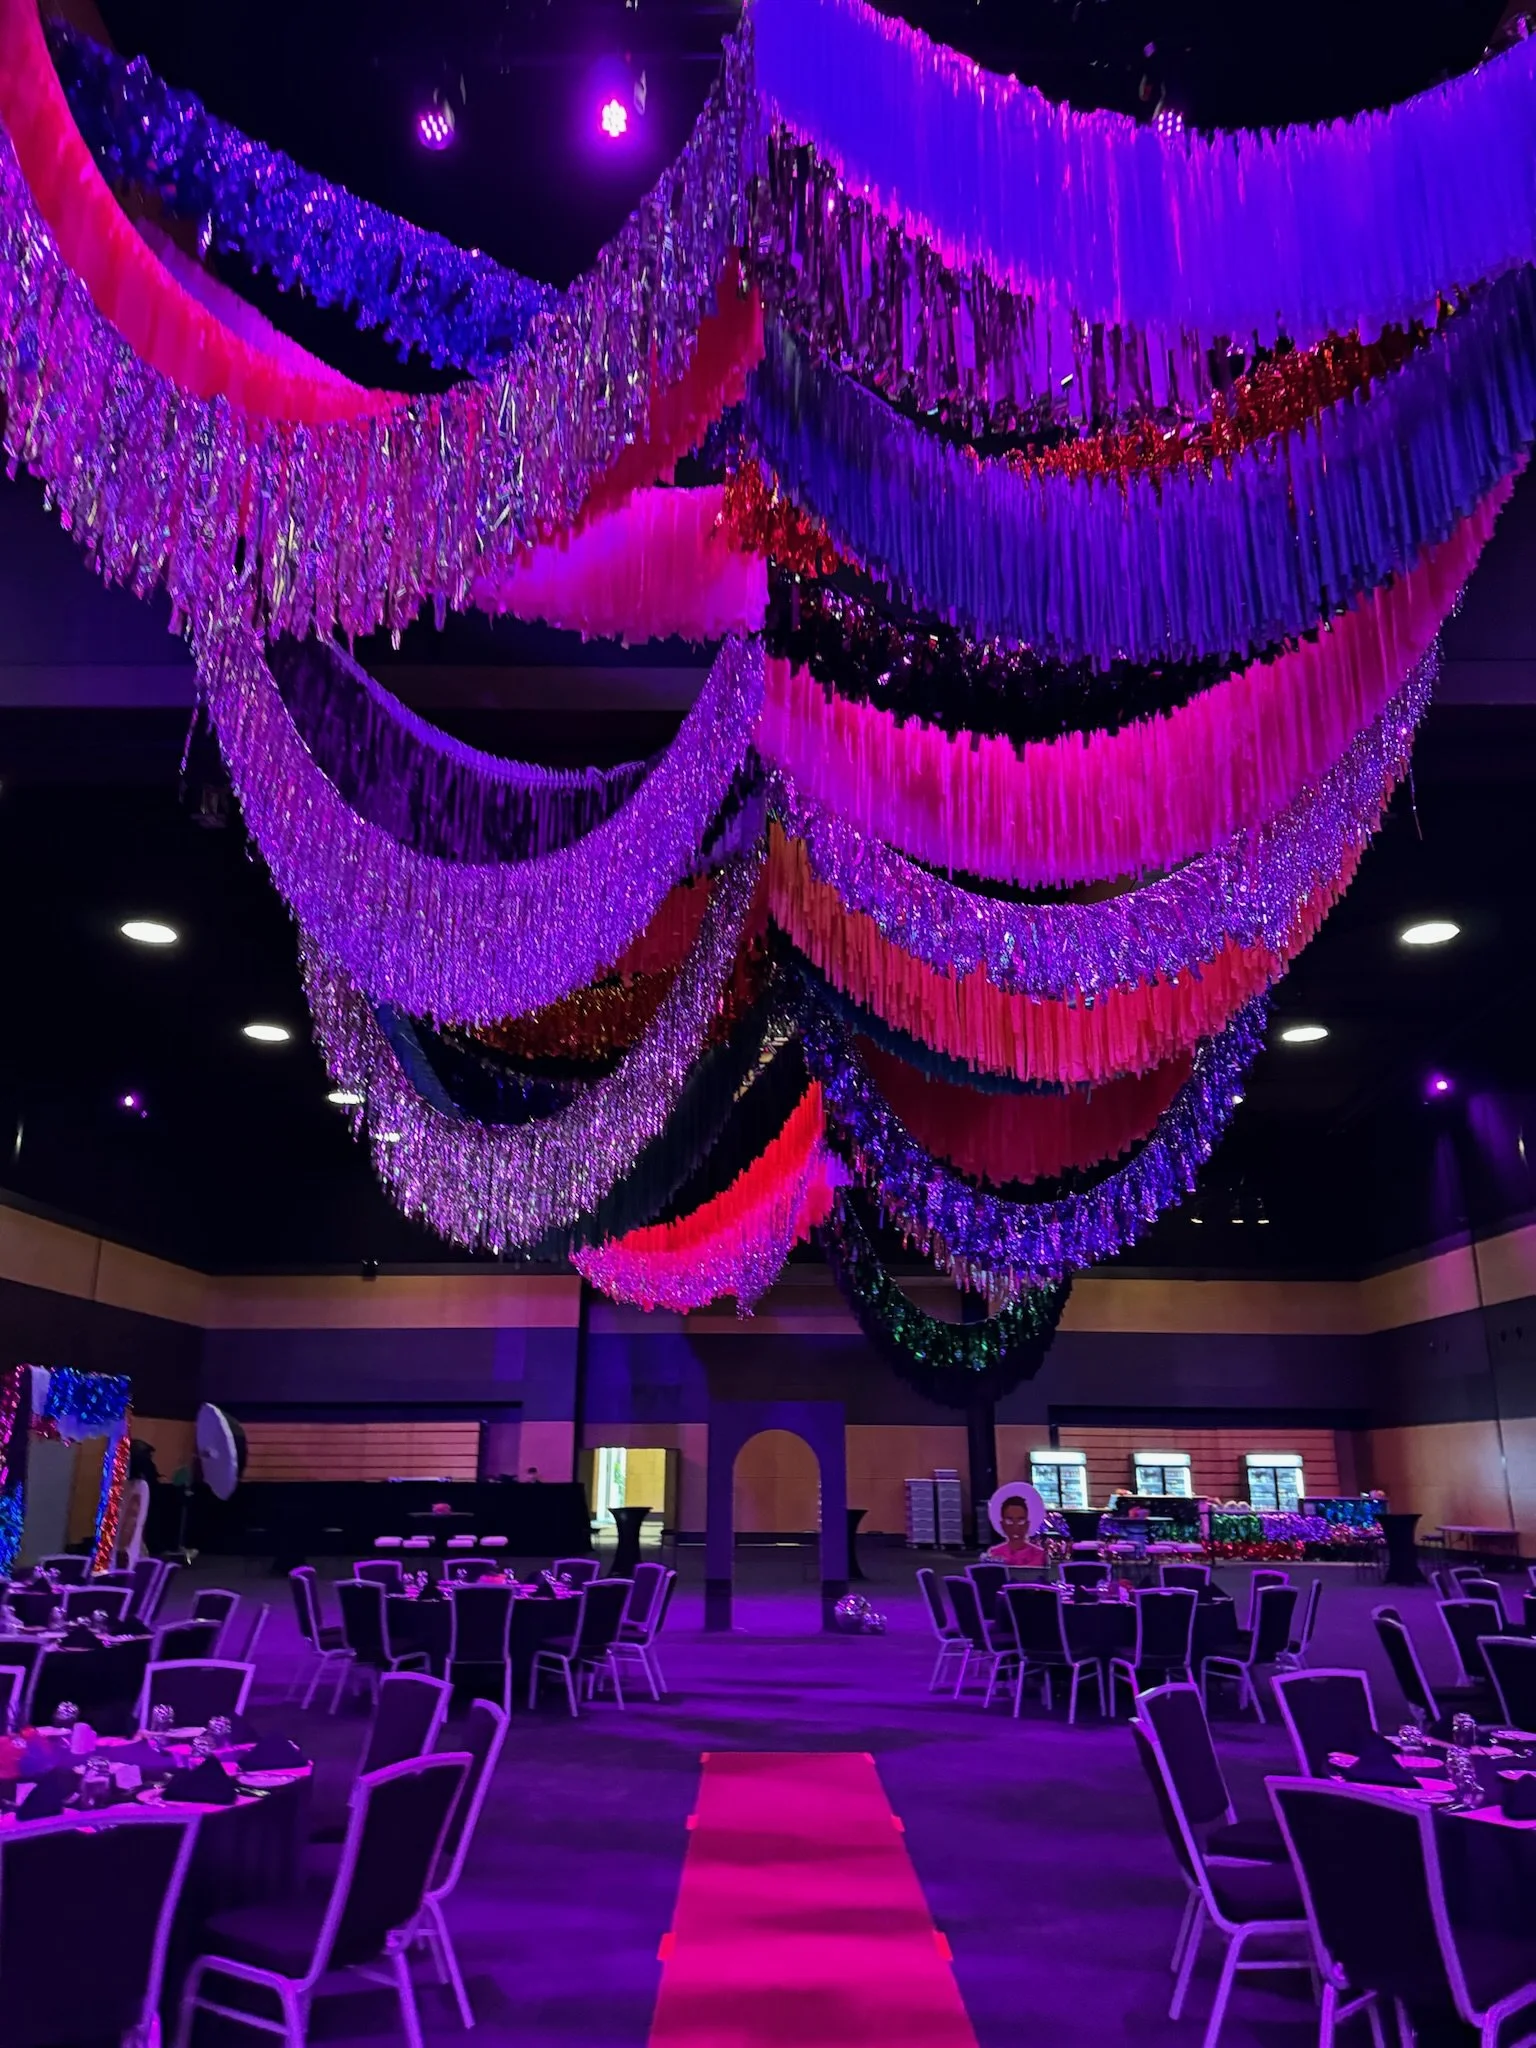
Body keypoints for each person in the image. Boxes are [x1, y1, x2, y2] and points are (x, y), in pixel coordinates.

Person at [987, 1493, 1046, 1567]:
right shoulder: (995, 1553)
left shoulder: (1038, 1554)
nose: (1016, 1527)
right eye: (1009, 1521)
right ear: (1002, 1524)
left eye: (1021, 1521)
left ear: (1027, 1524)